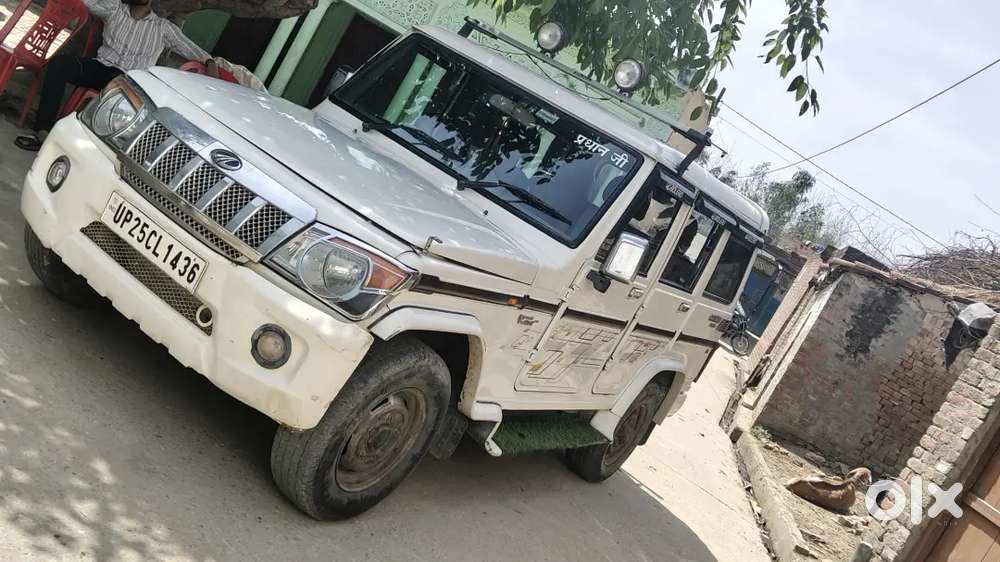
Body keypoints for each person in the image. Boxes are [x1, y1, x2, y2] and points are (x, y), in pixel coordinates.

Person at [15, 0, 218, 151]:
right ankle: (42, 133)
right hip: (100, 68)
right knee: (60, 64)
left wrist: (210, 65)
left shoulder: (162, 28)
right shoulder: (114, 9)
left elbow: (197, 53)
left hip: (128, 81)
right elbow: (87, 2)